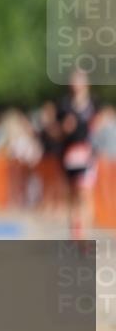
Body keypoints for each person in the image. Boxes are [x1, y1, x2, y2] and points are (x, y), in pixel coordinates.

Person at [58, 69, 96, 239]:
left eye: (80, 80)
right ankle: (74, 234)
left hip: (87, 155)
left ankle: (84, 235)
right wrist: (65, 129)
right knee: (73, 195)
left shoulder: (94, 104)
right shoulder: (65, 105)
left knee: (85, 193)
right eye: (74, 80)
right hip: (69, 155)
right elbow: (57, 131)